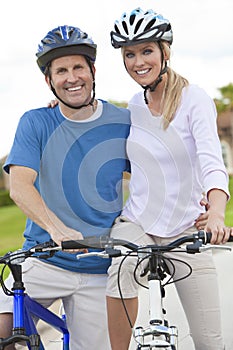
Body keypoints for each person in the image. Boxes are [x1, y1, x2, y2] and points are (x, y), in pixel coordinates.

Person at [106, 8, 231, 350]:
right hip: (139, 224)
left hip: (186, 227)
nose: (137, 62)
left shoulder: (194, 99)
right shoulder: (133, 106)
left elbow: (211, 163)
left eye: (146, 51)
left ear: (164, 51)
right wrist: (63, 110)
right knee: (120, 269)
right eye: (129, 54)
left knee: (210, 341)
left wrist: (216, 213)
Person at [0, 25, 131, 350]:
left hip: (99, 266)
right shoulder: (36, 122)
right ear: (49, 80)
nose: (71, 77)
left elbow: (155, 175)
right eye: (61, 71)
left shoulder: (123, 122)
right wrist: (58, 230)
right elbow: (19, 186)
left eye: (78, 67)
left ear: (92, 71)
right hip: (43, 259)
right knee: (3, 324)